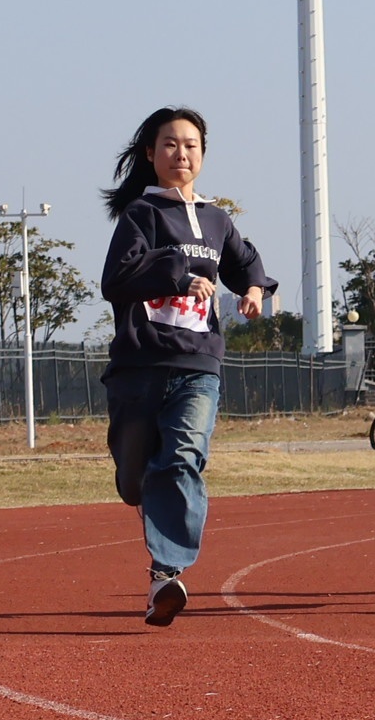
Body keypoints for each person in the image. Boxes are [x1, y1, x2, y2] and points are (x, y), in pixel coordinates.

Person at [97, 107, 275, 626]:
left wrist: (256, 291)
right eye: (170, 144)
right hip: (140, 363)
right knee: (135, 480)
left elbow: (246, 264)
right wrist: (177, 275)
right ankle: (155, 528)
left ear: (204, 153)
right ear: (150, 154)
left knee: (182, 457)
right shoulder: (140, 215)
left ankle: (166, 574)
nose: (182, 153)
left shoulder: (218, 219)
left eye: (192, 144)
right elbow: (118, 280)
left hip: (198, 362)